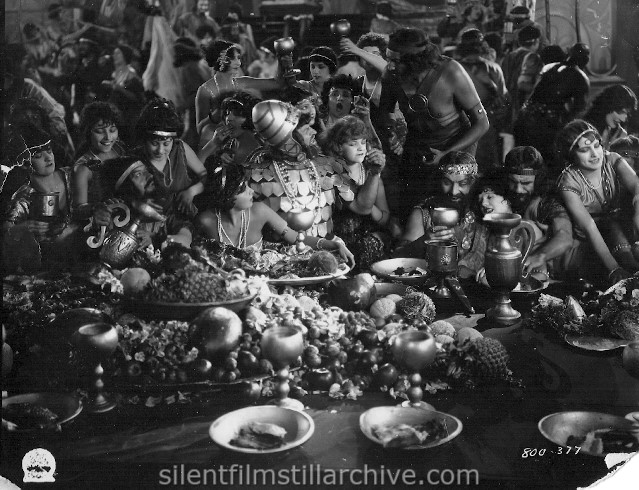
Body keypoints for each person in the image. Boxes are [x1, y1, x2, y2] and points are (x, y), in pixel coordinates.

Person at [379, 27, 489, 218]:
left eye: (395, 61)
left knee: (455, 213)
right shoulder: (391, 75)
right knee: (412, 211)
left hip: (456, 152)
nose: (389, 66)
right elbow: (384, 113)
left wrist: (448, 153)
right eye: (387, 58)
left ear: (415, 61)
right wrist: (392, 134)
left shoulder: (451, 72)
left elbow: (482, 123)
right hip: (418, 151)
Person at [195, 164, 353, 264]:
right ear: (228, 196)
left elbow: (295, 238)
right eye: (243, 189)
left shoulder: (259, 211)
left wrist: (334, 245)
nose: (251, 191)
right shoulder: (206, 221)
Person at [243, 100, 344, 240]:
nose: (314, 132)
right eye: (307, 128)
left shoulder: (327, 166)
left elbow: (360, 207)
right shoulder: (255, 175)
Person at [555, 120, 639, 284]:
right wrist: (614, 268)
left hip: (620, 230)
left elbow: (637, 185)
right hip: (589, 244)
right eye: (585, 150)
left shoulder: (612, 159)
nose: (595, 154)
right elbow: (589, 227)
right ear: (572, 155)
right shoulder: (568, 181)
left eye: (597, 145)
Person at [397, 151, 486, 279]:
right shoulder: (424, 213)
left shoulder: (483, 212)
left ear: (473, 183)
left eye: (462, 184)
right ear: (438, 180)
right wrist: (424, 241)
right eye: (447, 182)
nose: (454, 191)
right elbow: (398, 258)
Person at [1, 124, 79, 269]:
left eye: (49, 151)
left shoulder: (72, 175)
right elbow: (7, 230)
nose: (48, 158)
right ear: (25, 164)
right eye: (38, 156)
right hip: (51, 262)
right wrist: (26, 227)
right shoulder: (25, 194)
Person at [318, 115, 390, 270]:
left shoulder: (369, 172)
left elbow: (384, 218)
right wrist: (374, 177)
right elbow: (361, 207)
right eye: (353, 144)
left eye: (363, 142)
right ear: (338, 147)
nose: (361, 148)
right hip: (338, 240)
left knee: (371, 244)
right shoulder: (332, 171)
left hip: (367, 241)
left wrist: (373, 210)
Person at [195, 40, 286, 148]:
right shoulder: (205, 90)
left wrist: (281, 58)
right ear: (221, 60)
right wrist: (215, 116)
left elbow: (277, 83)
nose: (239, 63)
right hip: (219, 140)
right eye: (234, 59)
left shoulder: (242, 82)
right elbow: (200, 129)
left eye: (239, 58)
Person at [514, 43, 591, 169]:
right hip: (547, 126)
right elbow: (579, 111)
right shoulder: (581, 78)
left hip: (525, 119)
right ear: (586, 60)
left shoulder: (549, 68)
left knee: (525, 165)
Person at [502, 146, 574, 279]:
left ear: (539, 179)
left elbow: (565, 236)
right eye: (512, 182)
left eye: (526, 183)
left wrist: (540, 256)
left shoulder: (547, 202)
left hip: (548, 270)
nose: (518, 189)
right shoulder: (500, 192)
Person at [95, 156, 195, 250]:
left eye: (147, 171)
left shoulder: (167, 207)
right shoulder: (116, 212)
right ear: (125, 187)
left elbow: (185, 238)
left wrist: (155, 239)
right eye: (138, 174)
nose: (149, 175)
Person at [133, 99, 207, 218]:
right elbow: (121, 196)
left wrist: (192, 191)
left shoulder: (180, 148)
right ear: (145, 140)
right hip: (148, 225)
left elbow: (206, 176)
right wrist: (138, 204)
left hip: (184, 219)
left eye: (166, 144)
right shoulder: (135, 160)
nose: (160, 150)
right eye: (154, 143)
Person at [456, 29, 508, 173]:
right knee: (486, 167)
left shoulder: (453, 69)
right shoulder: (494, 68)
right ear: (483, 46)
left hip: (459, 124)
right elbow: (503, 98)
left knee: (460, 166)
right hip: (486, 123)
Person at [72, 102, 128, 222]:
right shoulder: (84, 168)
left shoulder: (120, 149)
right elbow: (78, 209)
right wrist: (95, 209)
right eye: (100, 131)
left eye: (112, 130)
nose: (108, 137)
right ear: (88, 132)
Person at [500, 25, 542, 156]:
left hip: (507, 106)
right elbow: (524, 85)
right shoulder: (533, 58)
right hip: (522, 107)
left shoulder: (508, 56)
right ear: (536, 42)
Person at [197, 91, 262, 169]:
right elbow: (194, 171)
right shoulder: (224, 147)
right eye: (227, 113)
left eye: (237, 114)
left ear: (251, 118)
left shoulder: (263, 151)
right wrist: (213, 143)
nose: (229, 118)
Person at [101, 44, 145, 145]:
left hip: (127, 118)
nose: (114, 55)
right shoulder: (114, 73)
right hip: (116, 117)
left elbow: (138, 98)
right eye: (114, 53)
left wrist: (119, 89)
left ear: (125, 55)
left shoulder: (131, 74)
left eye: (118, 53)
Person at [173, 37, 212, 149]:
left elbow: (195, 94)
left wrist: (179, 108)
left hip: (197, 112)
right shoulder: (198, 65)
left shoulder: (189, 69)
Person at [583, 84, 638, 150]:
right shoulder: (583, 129)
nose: (623, 119)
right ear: (608, 106)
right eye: (621, 112)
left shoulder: (619, 133)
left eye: (627, 114)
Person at [220, 2, 258, 68]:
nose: (232, 14)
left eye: (234, 12)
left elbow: (251, 44)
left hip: (245, 53)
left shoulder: (246, 26)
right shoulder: (225, 27)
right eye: (230, 12)